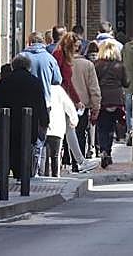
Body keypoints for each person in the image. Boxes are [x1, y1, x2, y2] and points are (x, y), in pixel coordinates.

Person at [0, 54, 49, 180]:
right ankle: (22, 175)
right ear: (28, 66)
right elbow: (41, 103)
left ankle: (6, 175)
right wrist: (44, 121)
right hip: (28, 123)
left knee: (9, 148)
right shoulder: (35, 82)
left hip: (8, 123)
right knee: (25, 148)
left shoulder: (4, 82)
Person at [56, 33, 101, 165]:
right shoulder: (86, 64)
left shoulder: (60, 59)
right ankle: (78, 162)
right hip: (78, 104)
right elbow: (93, 88)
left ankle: (68, 160)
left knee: (67, 132)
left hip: (65, 101)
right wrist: (95, 106)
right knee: (79, 132)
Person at [45, 81, 97, 176]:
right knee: (55, 153)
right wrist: (77, 104)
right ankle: (77, 163)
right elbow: (68, 86)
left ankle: (43, 173)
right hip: (58, 122)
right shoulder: (58, 88)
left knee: (43, 152)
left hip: (45, 123)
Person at [92, 40, 128, 168]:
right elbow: (126, 82)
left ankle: (103, 150)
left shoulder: (96, 65)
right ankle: (108, 151)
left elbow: (94, 82)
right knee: (111, 127)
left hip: (102, 99)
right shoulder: (120, 66)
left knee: (102, 126)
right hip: (116, 100)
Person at [22, 31, 63, 103]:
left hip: (25, 100)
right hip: (44, 100)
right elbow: (57, 80)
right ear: (43, 42)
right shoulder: (50, 58)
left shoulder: (22, 57)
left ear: (30, 42)